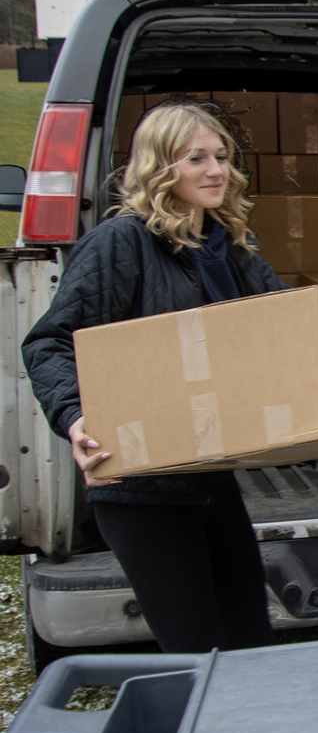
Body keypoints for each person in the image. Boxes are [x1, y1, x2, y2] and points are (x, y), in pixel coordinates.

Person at [22, 101, 292, 655]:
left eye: (221, 157)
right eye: (196, 158)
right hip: (142, 486)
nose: (216, 170)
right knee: (196, 654)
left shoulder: (232, 249)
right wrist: (76, 420)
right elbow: (50, 343)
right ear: (159, 167)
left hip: (210, 475)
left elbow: (302, 332)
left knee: (251, 644)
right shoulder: (121, 243)